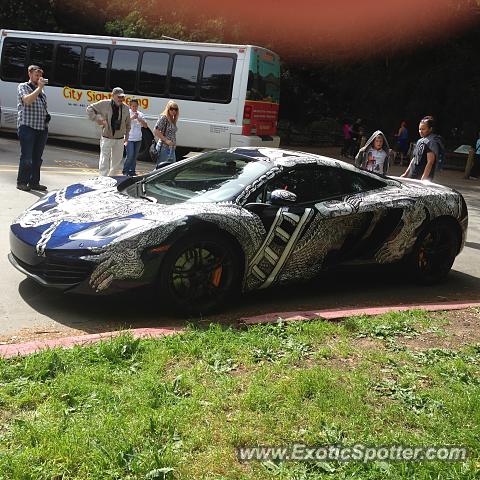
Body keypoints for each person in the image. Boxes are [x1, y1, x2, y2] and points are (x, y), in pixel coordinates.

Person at [16, 65, 50, 192]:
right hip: (27, 127)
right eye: (36, 75)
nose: (39, 78)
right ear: (29, 74)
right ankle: (22, 182)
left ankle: (34, 182)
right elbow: (27, 101)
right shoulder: (23, 86)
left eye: (40, 75)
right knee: (27, 157)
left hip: (41, 128)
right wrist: (39, 88)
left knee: (37, 158)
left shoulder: (41, 91)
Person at [86, 87, 131, 176]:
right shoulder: (104, 104)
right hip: (107, 137)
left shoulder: (126, 108)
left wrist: (127, 137)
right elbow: (89, 109)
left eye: (122, 97)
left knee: (116, 161)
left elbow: (128, 124)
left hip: (120, 138)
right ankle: (103, 178)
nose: (121, 99)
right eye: (119, 97)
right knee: (104, 159)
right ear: (113, 96)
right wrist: (98, 119)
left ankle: (111, 178)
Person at [401, 116, 442, 181]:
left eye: (423, 129)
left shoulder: (431, 142)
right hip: (413, 175)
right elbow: (414, 159)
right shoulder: (419, 141)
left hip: (423, 178)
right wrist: (406, 174)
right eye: (420, 129)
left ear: (430, 129)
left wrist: (423, 178)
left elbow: (430, 162)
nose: (420, 131)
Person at [122, 99, 148, 176]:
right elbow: (123, 123)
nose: (134, 108)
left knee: (135, 156)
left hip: (138, 138)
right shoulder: (127, 113)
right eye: (133, 106)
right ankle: (125, 170)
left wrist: (140, 120)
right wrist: (132, 118)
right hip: (129, 138)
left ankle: (132, 171)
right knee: (130, 155)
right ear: (130, 106)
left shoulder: (140, 114)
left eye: (136, 106)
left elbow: (145, 126)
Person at [154, 100, 179, 165]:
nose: (174, 111)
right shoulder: (164, 118)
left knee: (171, 168)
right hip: (164, 148)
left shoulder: (173, 119)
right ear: (168, 109)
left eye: (175, 109)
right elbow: (156, 131)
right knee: (161, 168)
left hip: (171, 148)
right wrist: (166, 140)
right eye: (171, 109)